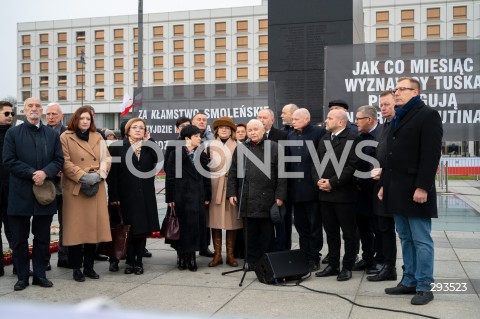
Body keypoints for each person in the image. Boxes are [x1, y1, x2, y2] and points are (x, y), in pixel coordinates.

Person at [379, 77, 442, 305]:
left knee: (421, 239)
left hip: (416, 189)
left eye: (401, 89)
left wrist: (423, 186)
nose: (396, 93)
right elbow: (391, 155)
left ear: (415, 92)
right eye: (395, 89)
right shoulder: (399, 116)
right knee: (405, 237)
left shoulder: (428, 115)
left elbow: (431, 154)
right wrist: (385, 184)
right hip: (396, 188)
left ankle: (425, 286)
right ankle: (410, 280)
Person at [3, 97, 64, 291]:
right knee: (20, 239)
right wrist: (32, 173)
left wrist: (45, 172)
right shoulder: (13, 133)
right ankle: (22, 276)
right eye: (30, 106)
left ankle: (39, 274)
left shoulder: (52, 135)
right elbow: (9, 160)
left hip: (44, 194)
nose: (34, 109)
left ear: (42, 111)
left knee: (42, 238)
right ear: (24, 109)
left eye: (38, 106)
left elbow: (59, 159)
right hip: (19, 193)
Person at [60, 106, 112, 282]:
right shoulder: (65, 137)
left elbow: (107, 158)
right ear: (76, 119)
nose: (85, 121)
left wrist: (99, 174)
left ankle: (89, 267)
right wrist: (83, 176)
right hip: (76, 189)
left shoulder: (98, 137)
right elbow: (64, 162)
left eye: (88, 119)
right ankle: (76, 268)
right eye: (82, 118)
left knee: (92, 229)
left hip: (96, 186)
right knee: (76, 231)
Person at [227, 119, 287, 269]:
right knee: (249, 234)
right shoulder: (241, 149)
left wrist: (280, 196)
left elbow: (282, 174)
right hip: (247, 197)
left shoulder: (274, 147)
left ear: (263, 130)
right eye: (250, 130)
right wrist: (232, 192)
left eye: (256, 129)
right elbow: (233, 172)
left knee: (267, 235)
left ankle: (266, 262)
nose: (253, 133)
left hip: (268, 199)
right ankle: (250, 261)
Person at [107, 118, 161, 275]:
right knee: (128, 229)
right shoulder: (117, 147)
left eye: (141, 128)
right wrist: (114, 195)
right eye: (135, 127)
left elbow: (159, 159)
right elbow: (113, 175)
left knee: (141, 230)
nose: (138, 130)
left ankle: (138, 262)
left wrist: (150, 140)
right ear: (128, 130)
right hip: (125, 196)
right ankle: (129, 261)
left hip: (144, 195)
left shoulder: (149, 147)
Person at [313, 109, 359, 282]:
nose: (326, 120)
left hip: (344, 195)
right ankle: (333, 265)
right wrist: (318, 180)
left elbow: (351, 167)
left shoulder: (353, 139)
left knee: (348, 233)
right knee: (330, 232)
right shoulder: (325, 139)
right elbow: (316, 163)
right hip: (325, 195)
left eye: (330, 118)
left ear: (341, 122)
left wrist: (332, 182)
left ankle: (347, 266)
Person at [165, 124, 211, 271]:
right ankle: (181, 258)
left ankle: (191, 258)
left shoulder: (202, 154)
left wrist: (207, 195)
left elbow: (206, 177)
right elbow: (170, 177)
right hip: (180, 197)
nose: (199, 139)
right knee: (182, 228)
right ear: (187, 138)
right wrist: (170, 198)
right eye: (196, 136)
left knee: (194, 228)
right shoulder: (175, 154)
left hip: (197, 196)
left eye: (200, 136)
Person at [286, 108, 326, 271]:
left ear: (306, 119)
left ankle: (314, 257)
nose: (292, 121)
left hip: (312, 189)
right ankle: (304, 255)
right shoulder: (291, 135)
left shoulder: (319, 133)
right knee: (301, 227)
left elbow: (324, 158)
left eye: (296, 119)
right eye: (292, 119)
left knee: (314, 227)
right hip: (296, 190)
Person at [367, 90, 398, 282]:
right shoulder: (383, 127)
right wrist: (374, 169)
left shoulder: (400, 126)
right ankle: (388, 266)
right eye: (381, 106)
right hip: (379, 184)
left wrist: (384, 173)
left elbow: (397, 157)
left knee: (402, 231)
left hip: (394, 185)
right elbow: (379, 154)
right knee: (384, 228)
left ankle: (399, 267)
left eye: (387, 104)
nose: (383, 108)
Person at [207, 116, 242, 268]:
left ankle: (230, 255)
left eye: (227, 128)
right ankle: (216, 255)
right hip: (214, 188)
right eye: (221, 128)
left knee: (231, 223)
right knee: (214, 222)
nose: (223, 130)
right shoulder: (209, 146)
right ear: (216, 131)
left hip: (231, 188)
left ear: (231, 131)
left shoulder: (239, 145)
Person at [352, 105, 383, 274]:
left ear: (369, 120)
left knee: (377, 227)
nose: (355, 122)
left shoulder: (381, 135)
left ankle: (380, 260)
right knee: (362, 226)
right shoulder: (359, 136)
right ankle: (367, 257)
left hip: (376, 189)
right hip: (360, 189)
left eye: (358, 119)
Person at [257, 108, 289, 251]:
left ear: (272, 120)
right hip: (259, 190)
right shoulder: (252, 137)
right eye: (259, 117)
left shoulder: (282, 135)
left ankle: (282, 252)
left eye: (264, 117)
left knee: (280, 222)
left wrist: (281, 193)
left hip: (277, 188)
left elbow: (285, 164)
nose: (261, 120)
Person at [45, 103, 69, 269]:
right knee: (43, 225)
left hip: (64, 186)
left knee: (66, 223)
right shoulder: (40, 132)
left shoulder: (68, 134)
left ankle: (64, 257)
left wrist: (64, 169)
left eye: (54, 114)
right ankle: (44, 260)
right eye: (48, 114)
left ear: (61, 115)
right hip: (45, 186)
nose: (51, 117)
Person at [191, 111, 214, 257]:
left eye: (204, 120)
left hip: (206, 182)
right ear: (192, 122)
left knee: (205, 218)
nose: (202, 122)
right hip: (189, 186)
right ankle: (190, 248)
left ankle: (204, 246)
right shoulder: (185, 138)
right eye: (199, 119)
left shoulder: (212, 139)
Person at [0, 101, 14, 277]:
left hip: (12, 189)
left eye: (11, 113)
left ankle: (20, 265)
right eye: (6, 113)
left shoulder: (15, 134)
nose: (10, 116)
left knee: (14, 229)